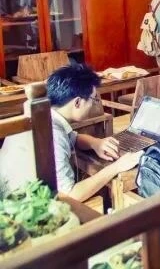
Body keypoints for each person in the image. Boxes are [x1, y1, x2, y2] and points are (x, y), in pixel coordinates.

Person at [0, 64, 142, 202]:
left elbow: (73, 137)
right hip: (23, 207)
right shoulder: (53, 135)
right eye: (93, 99)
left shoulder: (41, 111)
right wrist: (116, 167)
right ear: (77, 103)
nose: (94, 104)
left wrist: (95, 143)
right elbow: (70, 195)